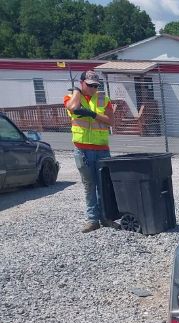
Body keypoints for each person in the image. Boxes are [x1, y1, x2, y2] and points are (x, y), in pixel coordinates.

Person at [64, 70, 117, 233]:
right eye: (89, 85)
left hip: (102, 149)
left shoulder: (103, 99)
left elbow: (110, 122)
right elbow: (72, 108)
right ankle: (92, 219)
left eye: (95, 85)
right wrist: (77, 92)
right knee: (89, 185)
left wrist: (93, 114)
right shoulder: (72, 97)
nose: (93, 88)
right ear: (82, 83)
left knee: (104, 185)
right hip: (82, 149)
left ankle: (106, 218)